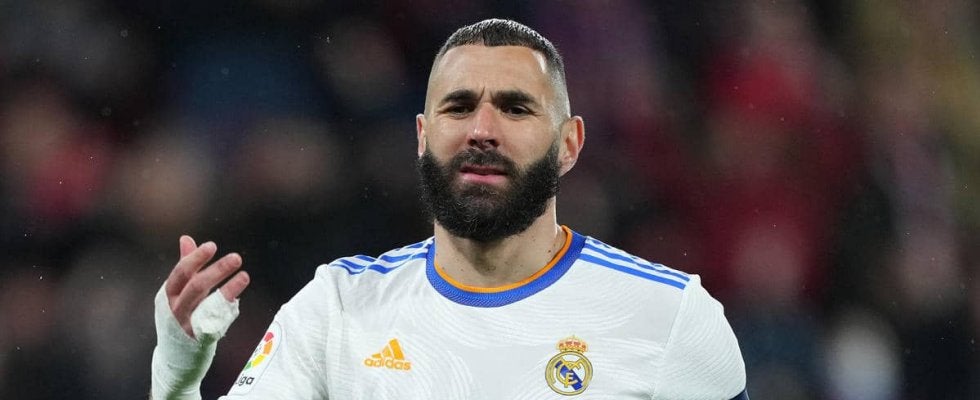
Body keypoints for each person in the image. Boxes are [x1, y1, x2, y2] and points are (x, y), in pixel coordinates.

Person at [151, 18, 749, 399]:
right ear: (422, 136)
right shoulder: (337, 310)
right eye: (459, 107)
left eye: (515, 108)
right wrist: (175, 380)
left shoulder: (669, 318)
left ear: (569, 144)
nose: (481, 130)